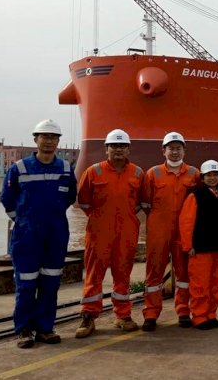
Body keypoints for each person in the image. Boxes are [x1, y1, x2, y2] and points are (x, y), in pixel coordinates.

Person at [1, 119, 77, 348]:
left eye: (53, 137)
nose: (49, 141)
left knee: (50, 283)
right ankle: (23, 329)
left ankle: (45, 328)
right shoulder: (20, 168)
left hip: (55, 235)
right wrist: (23, 221)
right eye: (44, 137)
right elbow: (7, 198)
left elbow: (70, 197)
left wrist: (50, 218)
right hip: (27, 237)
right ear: (35, 139)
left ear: (58, 142)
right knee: (25, 283)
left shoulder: (65, 169)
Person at [75, 129, 145, 339]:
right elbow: (84, 201)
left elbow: (142, 202)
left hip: (126, 232)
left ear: (128, 149)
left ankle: (123, 315)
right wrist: (100, 218)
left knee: (123, 273)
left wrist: (124, 218)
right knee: (94, 275)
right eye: (114, 146)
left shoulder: (138, 173)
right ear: (106, 149)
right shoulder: (93, 172)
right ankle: (89, 316)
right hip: (99, 232)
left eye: (122, 146)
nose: (118, 150)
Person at [141, 132, 200, 331]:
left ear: (184, 150)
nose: (174, 152)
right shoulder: (153, 173)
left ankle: (183, 311)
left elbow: (198, 204)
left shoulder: (194, 174)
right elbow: (146, 203)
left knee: (183, 273)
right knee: (154, 272)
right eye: (171, 148)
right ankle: (150, 313)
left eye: (178, 148)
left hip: (183, 231)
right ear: (163, 151)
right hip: (159, 230)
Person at [179, 160, 218, 330]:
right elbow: (186, 222)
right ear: (202, 177)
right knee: (200, 285)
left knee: (215, 284)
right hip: (200, 248)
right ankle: (200, 317)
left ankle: (211, 314)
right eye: (208, 175)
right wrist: (188, 246)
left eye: (215, 175)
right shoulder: (195, 196)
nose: (212, 178)